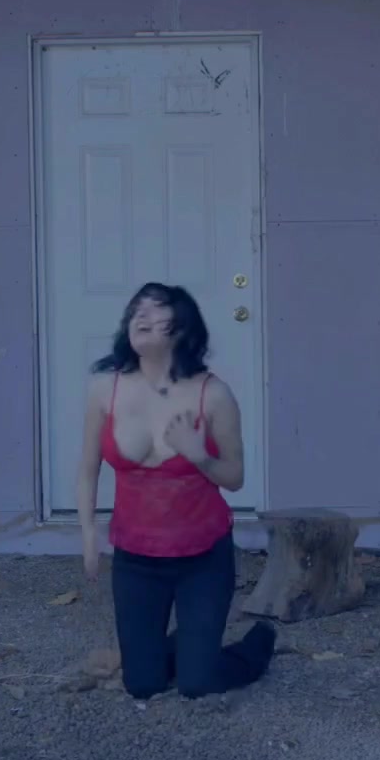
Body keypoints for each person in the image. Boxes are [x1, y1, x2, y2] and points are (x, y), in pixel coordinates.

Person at [76, 282, 278, 700]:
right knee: (142, 684)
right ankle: (186, 646)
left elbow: (235, 478)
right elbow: (87, 467)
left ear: (182, 328)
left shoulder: (213, 394)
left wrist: (199, 454)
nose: (143, 317)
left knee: (197, 684)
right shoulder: (105, 389)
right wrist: (88, 533)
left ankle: (258, 642)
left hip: (203, 558)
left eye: (157, 312)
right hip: (136, 559)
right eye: (138, 311)